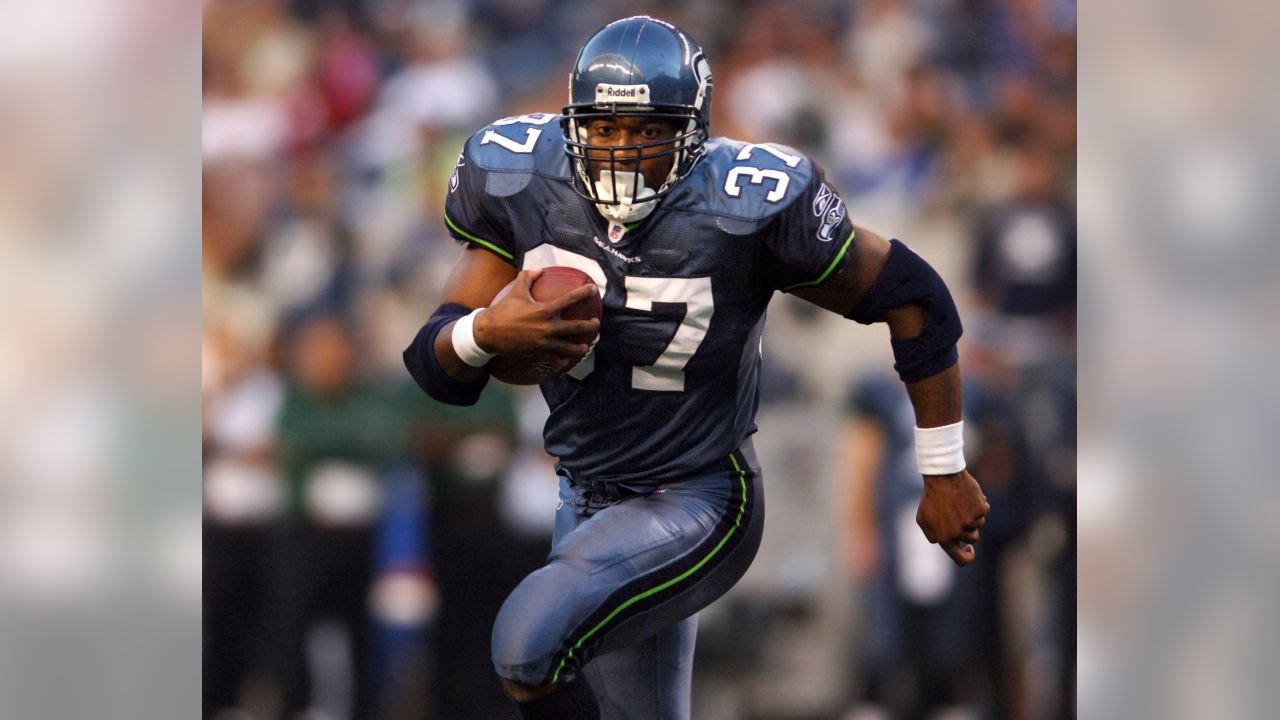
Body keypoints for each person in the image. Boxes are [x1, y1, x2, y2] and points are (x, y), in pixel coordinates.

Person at [403, 15, 989, 720]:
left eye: (647, 130)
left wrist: (944, 466)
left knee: (528, 641)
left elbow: (914, 297)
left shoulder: (749, 200)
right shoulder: (520, 177)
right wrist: (487, 331)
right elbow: (437, 367)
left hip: (702, 494)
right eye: (604, 128)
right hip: (585, 492)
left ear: (691, 130)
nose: (621, 150)